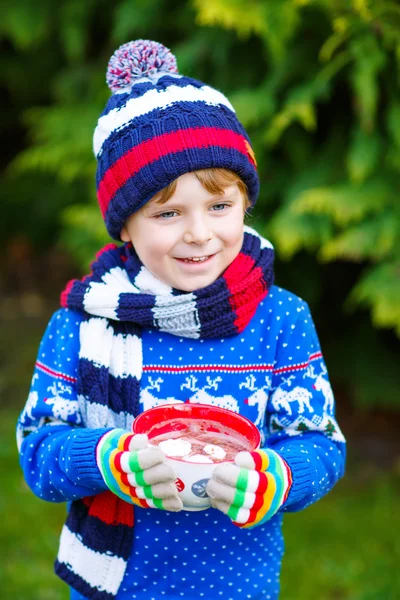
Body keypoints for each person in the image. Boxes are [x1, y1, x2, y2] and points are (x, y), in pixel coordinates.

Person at [16, 40, 346, 600]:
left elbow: (320, 443)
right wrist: (105, 457)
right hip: (118, 583)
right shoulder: (82, 324)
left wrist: (276, 478)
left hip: (237, 582)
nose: (198, 233)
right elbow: (37, 450)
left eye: (219, 206)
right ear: (123, 226)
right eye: (167, 213)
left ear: (245, 202)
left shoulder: (281, 319)